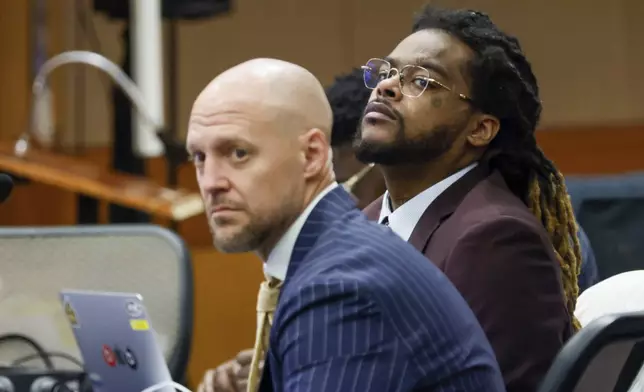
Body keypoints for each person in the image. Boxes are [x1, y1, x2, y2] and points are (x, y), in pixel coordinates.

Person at [188, 58, 505, 392]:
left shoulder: (339, 288)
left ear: (311, 156)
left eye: (238, 153)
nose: (211, 182)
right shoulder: (333, 256)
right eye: (199, 158)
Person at [357, 6, 581, 392]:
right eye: (387, 72)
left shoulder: (494, 238)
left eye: (422, 81)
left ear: (479, 129)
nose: (387, 86)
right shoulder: (365, 222)